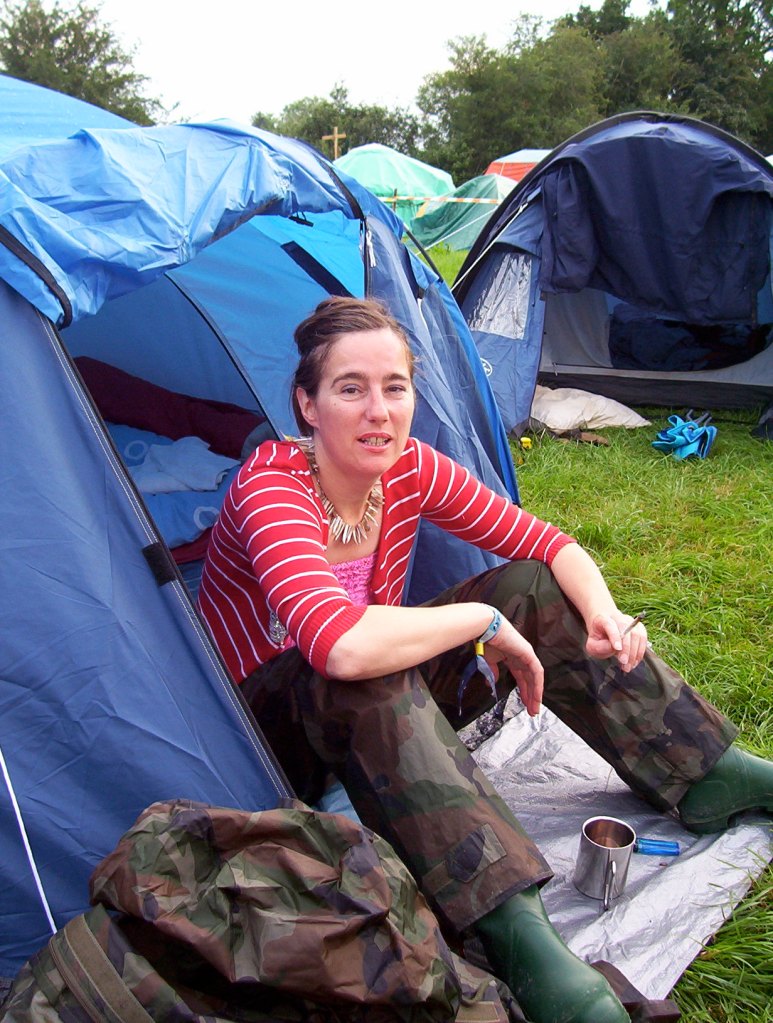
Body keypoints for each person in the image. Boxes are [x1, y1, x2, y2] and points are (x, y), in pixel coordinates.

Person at [198, 296, 772, 1023]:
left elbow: (548, 544)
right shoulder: (273, 485)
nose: (378, 411)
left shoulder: (406, 469)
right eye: (350, 388)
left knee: (530, 585)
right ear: (307, 406)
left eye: (395, 387)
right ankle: (517, 938)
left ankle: (707, 773)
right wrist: (480, 621)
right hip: (265, 732)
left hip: (365, 700)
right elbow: (338, 645)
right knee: (369, 664)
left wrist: (604, 614)